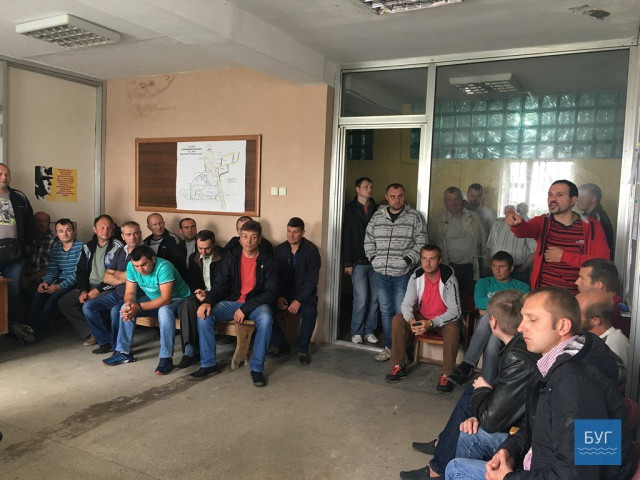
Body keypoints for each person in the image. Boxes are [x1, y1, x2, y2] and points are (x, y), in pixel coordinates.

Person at [445, 287, 634, 480]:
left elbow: (579, 475)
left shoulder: (577, 384)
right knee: (469, 438)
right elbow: (537, 425)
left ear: (563, 326)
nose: (520, 327)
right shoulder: (561, 359)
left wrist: (508, 478)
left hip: (548, 470)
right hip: (540, 458)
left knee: (456, 469)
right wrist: (509, 450)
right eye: (523, 318)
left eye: (532, 319)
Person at [401, 290, 539, 480]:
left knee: (470, 402)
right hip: (527, 429)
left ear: (493, 322)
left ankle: (438, 468)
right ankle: (443, 445)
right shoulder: (520, 346)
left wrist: (483, 392)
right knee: (470, 392)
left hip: (526, 438)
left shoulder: (518, 356)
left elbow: (494, 419)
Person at [190, 220, 277, 387]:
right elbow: (221, 284)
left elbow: (270, 292)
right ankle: (209, 364)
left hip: (257, 304)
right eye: (245, 236)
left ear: (259, 239)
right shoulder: (232, 256)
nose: (249, 241)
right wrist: (207, 302)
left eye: (253, 237)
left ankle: (257, 369)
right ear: (240, 238)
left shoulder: (268, 260)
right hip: (233, 301)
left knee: (266, 319)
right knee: (204, 314)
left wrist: (245, 309)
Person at [505, 179, 610, 294]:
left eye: (559, 195)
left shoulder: (591, 226)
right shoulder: (543, 222)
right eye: (550, 195)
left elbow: (602, 262)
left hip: (578, 297)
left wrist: (564, 256)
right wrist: (517, 224)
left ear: (573, 200)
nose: (553, 199)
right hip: (545, 295)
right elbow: (523, 231)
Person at [101, 245, 191, 375]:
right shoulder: (131, 267)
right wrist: (129, 304)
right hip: (154, 299)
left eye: (143, 265)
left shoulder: (164, 267)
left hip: (178, 300)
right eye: (136, 266)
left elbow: (165, 299)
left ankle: (166, 358)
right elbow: (130, 292)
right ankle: (123, 353)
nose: (140, 269)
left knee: (164, 311)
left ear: (152, 259)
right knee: (125, 307)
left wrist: (139, 307)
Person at [385, 244, 461, 394]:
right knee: (398, 320)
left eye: (432, 259)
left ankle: (448, 375)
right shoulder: (416, 275)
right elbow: (406, 304)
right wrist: (411, 321)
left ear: (440, 260)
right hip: (422, 318)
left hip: (441, 321)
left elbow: (455, 311)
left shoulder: (449, 278)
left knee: (453, 329)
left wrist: (431, 323)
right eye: (424, 259)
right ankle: (399, 366)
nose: (427, 263)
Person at [447, 252, 530, 386]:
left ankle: (467, 364)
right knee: (492, 338)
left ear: (511, 268)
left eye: (502, 266)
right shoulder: (483, 282)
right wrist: (508, 304)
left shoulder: (522, 287)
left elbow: (522, 309)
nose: (497, 270)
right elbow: (479, 302)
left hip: (510, 327)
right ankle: (487, 383)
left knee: (488, 314)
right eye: (494, 266)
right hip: (487, 329)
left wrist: (491, 307)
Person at [364, 183, 426, 361]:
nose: (396, 200)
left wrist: (408, 260)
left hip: (403, 274)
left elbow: (421, 241)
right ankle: (390, 347)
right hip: (381, 273)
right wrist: (373, 258)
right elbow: (368, 239)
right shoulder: (377, 217)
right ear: (386, 197)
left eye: (400, 196)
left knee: (402, 311)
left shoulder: (414, 217)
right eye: (392, 196)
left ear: (404, 196)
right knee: (385, 311)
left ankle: (404, 350)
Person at [57, 215, 124, 345]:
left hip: (109, 287)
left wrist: (98, 290)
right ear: (95, 229)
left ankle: (101, 334)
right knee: (65, 302)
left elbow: (118, 276)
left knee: (92, 303)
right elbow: (81, 271)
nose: (105, 231)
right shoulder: (87, 247)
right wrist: (83, 290)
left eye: (109, 228)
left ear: (113, 229)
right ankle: (91, 332)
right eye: (102, 227)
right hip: (89, 286)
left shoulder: (119, 247)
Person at [14, 219, 83, 341]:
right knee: (39, 293)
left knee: (53, 298)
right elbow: (52, 270)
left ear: (74, 231)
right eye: (61, 231)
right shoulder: (56, 249)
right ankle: (28, 327)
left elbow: (79, 273)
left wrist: (60, 286)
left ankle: (35, 332)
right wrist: (45, 282)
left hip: (76, 281)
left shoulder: (81, 247)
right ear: (57, 234)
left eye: (68, 230)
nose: (65, 234)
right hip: (60, 279)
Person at [83, 221, 143, 354]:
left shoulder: (145, 252)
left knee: (116, 311)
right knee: (88, 306)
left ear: (140, 234)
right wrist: (124, 276)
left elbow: (137, 276)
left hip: (136, 295)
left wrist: (117, 275)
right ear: (123, 236)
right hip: (117, 293)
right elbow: (106, 277)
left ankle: (118, 347)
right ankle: (105, 341)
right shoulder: (121, 251)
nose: (133, 237)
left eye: (136, 233)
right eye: (129, 234)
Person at [271, 217, 321, 364]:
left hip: (304, 294)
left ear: (303, 232)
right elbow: (274, 277)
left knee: (310, 312)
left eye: (295, 232)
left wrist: (298, 300)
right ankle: (281, 345)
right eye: (289, 231)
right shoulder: (279, 250)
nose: (291, 235)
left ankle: (303, 350)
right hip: (283, 293)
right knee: (264, 308)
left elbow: (312, 280)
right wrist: (278, 296)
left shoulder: (311, 251)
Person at [175, 229, 223, 369]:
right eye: (200, 248)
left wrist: (209, 295)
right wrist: (198, 291)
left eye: (207, 248)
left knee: (203, 312)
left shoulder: (225, 256)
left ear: (214, 244)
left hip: (219, 294)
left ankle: (203, 356)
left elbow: (225, 283)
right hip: (202, 293)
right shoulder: (194, 257)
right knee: (187, 304)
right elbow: (193, 280)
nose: (203, 252)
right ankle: (189, 351)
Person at [342, 176, 379, 345]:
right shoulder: (349, 209)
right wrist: (347, 262)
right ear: (357, 189)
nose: (369, 189)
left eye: (371, 186)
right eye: (366, 186)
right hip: (357, 261)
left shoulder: (377, 208)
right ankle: (356, 331)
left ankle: (369, 331)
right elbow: (346, 236)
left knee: (375, 298)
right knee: (361, 298)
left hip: (375, 261)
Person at [0, 164, 34, 333]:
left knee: (13, 290)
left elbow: (29, 224)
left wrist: (28, 247)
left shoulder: (19, 197)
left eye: (7, 174)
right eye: (0, 174)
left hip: (16, 253)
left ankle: (13, 327)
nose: (4, 177)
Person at [432, 187, 485, 297]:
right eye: (449, 200)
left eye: (456, 199)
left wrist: (486, 266)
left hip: (471, 269)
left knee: (470, 301)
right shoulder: (438, 221)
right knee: (450, 300)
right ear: (444, 202)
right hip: (449, 268)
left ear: (462, 199)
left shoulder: (474, 218)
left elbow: (484, 243)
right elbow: (432, 248)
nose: (453, 203)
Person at [575, 257, 629, 337]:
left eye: (582, 278)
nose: (576, 282)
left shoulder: (611, 314)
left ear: (598, 285)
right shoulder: (615, 305)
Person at [576, 289, 629, 368]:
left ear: (595, 321)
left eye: (577, 313)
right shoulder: (590, 337)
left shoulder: (612, 347)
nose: (572, 316)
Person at [485, 206, 535, 283]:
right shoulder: (497, 224)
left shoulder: (526, 225)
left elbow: (534, 252)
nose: (508, 210)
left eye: (511, 209)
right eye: (507, 209)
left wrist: (522, 269)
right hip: (496, 269)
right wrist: (490, 266)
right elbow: (489, 247)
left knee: (517, 291)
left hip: (517, 270)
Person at [20, 211, 57, 305]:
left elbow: (52, 267)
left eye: (45, 221)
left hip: (45, 277)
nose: (42, 223)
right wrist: (22, 277)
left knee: (32, 292)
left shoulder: (55, 240)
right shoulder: (27, 238)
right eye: (38, 221)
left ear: (49, 223)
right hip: (26, 275)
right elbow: (23, 259)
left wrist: (28, 279)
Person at [578, 183, 614, 257]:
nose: (578, 200)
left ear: (594, 198)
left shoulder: (597, 219)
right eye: (578, 196)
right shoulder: (586, 216)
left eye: (582, 197)